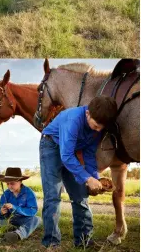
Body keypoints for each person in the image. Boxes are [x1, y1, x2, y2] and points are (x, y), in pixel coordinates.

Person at [39, 96, 118, 250]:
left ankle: (84, 241)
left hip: (70, 152)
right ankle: (51, 243)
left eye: (101, 128)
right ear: (87, 114)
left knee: (80, 196)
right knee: (53, 196)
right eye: (96, 126)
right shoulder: (73, 119)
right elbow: (66, 156)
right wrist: (87, 178)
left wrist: (95, 180)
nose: (98, 130)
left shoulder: (98, 127)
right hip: (50, 146)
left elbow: (88, 155)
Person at [0, 167, 42, 244]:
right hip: (9, 219)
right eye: (8, 184)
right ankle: (9, 227)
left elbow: (32, 211)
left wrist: (15, 207)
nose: (10, 186)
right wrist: (1, 212)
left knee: (37, 219)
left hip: (23, 219)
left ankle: (17, 234)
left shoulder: (29, 193)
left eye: (12, 183)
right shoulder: (6, 194)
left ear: (20, 182)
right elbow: (1, 214)